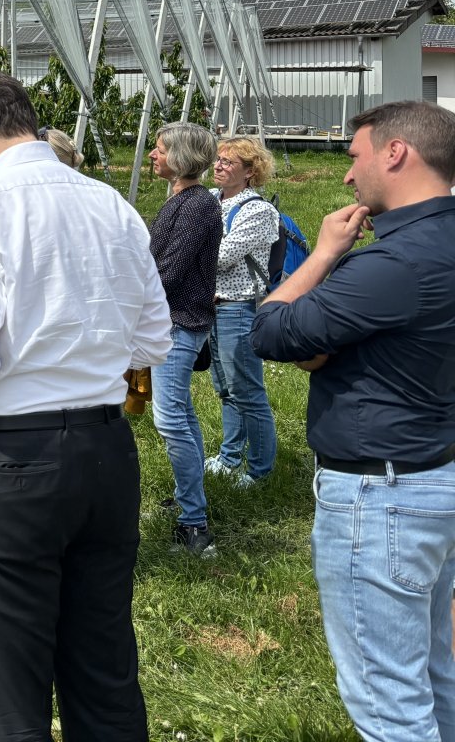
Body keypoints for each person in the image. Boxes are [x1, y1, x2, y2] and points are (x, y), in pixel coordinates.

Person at [0, 68, 172, 742]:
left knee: (7, 687)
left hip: (9, 455)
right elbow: (153, 339)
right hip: (105, 453)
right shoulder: (111, 205)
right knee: (103, 669)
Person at [252, 101, 455, 742]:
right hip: (437, 471)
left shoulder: (392, 264)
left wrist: (324, 253)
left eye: (355, 156)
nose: (347, 177)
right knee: (435, 672)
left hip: (381, 494)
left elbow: (273, 330)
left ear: (395, 153)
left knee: (388, 701)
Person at [145, 122, 223, 556]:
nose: (154, 155)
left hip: (180, 321)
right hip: (175, 320)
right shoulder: (182, 199)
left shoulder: (195, 207)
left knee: (169, 418)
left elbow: (166, 272)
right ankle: (188, 495)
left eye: (159, 150)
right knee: (182, 416)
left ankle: (195, 524)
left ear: (180, 157)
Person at [206, 137, 279, 487]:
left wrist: (188, 245)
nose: (218, 166)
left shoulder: (258, 211)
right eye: (218, 159)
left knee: (248, 392)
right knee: (225, 389)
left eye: (228, 162)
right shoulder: (209, 199)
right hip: (213, 309)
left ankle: (260, 470)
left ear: (250, 172)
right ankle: (230, 456)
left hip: (238, 309)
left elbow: (220, 257)